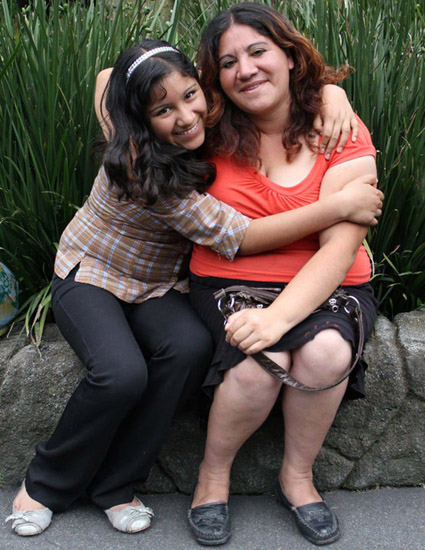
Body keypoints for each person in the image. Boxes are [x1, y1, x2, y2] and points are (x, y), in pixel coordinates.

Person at [6, 37, 382, 539]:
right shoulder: (143, 160)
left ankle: (116, 485)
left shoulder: (191, 117)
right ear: (139, 116)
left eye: (189, 96)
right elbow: (241, 237)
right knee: (120, 373)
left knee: (189, 349)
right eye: (163, 109)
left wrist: (334, 94)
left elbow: (108, 77)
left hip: (158, 283)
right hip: (92, 274)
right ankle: (45, 484)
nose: (184, 116)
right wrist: (336, 207)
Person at [187, 3, 381, 547]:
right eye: (228, 62)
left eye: (258, 52)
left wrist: (277, 318)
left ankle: (297, 478)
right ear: (215, 76)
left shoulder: (338, 128)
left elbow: (340, 247)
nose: (245, 70)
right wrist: (331, 87)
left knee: (327, 352)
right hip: (229, 280)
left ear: (290, 56)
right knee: (258, 365)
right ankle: (212, 476)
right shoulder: (207, 128)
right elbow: (115, 81)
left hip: (330, 281)